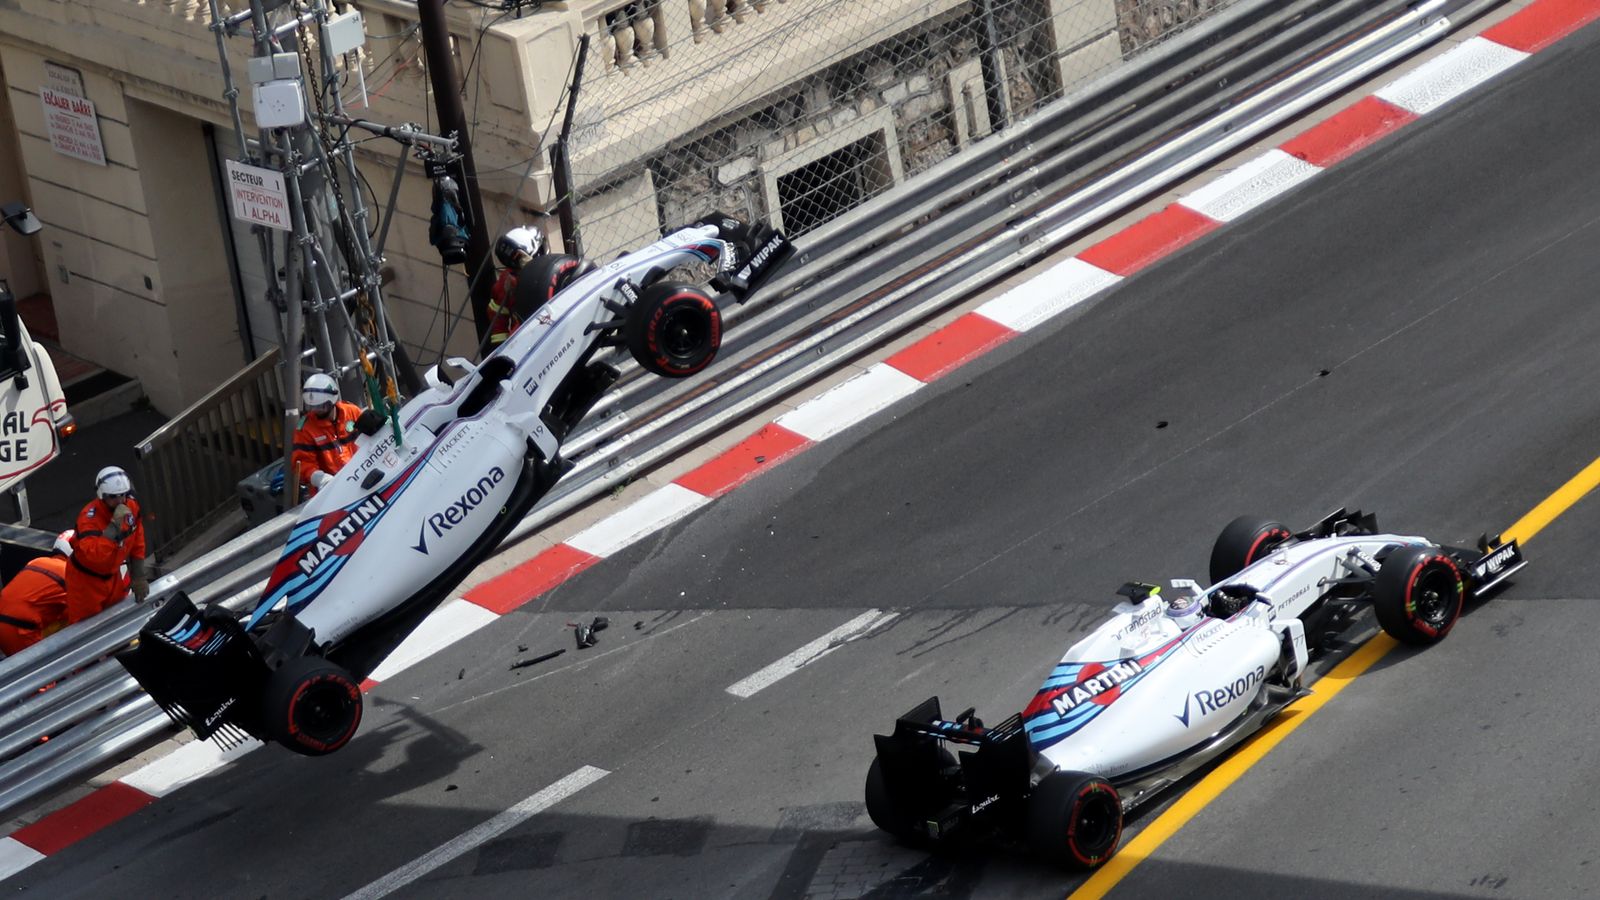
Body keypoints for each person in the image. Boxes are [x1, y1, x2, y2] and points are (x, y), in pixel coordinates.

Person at [66, 466, 148, 623]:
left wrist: (138, 575)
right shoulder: (88, 519)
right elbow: (94, 556)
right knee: (86, 630)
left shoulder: (130, 506)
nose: (120, 501)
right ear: (102, 496)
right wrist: (113, 529)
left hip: (112, 576)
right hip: (86, 583)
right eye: (114, 497)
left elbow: (137, 539)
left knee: (119, 620)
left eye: (123, 495)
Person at [0, 531, 74, 656]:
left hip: (7, 621)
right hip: (21, 629)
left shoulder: (37, 561)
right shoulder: (69, 574)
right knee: (45, 671)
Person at [293, 372, 364, 497]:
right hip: (330, 490)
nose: (317, 410)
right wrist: (319, 478)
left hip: (361, 475)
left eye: (322, 406)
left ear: (332, 401)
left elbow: (370, 436)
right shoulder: (305, 429)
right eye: (312, 407)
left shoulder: (351, 412)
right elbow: (302, 463)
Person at [485, 226, 545, 347]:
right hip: (524, 337)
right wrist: (502, 347)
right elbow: (497, 315)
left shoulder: (554, 271)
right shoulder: (506, 282)